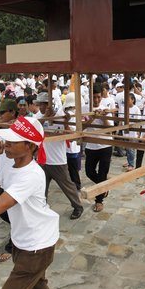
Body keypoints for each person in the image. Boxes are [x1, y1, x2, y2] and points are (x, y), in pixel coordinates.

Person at [0, 116, 60, 289]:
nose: (7, 145)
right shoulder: (10, 165)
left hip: (37, 247)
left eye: (13, 142)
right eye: (7, 141)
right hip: (24, 241)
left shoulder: (31, 174)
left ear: (29, 147)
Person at [34, 93, 84, 220]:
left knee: (67, 186)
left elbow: (72, 136)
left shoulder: (60, 117)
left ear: (49, 105)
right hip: (42, 160)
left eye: (44, 105)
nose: (41, 107)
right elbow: (34, 130)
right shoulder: (38, 117)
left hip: (58, 160)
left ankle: (78, 206)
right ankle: (41, 208)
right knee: (41, 188)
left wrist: (66, 123)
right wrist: (45, 117)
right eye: (40, 104)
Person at [84, 83, 114, 212]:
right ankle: (104, 187)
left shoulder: (106, 109)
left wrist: (102, 117)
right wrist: (91, 118)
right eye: (94, 97)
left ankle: (99, 200)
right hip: (91, 146)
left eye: (98, 97)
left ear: (101, 96)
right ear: (90, 97)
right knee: (89, 172)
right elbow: (82, 127)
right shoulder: (85, 108)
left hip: (105, 145)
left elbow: (110, 131)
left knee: (102, 174)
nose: (96, 100)